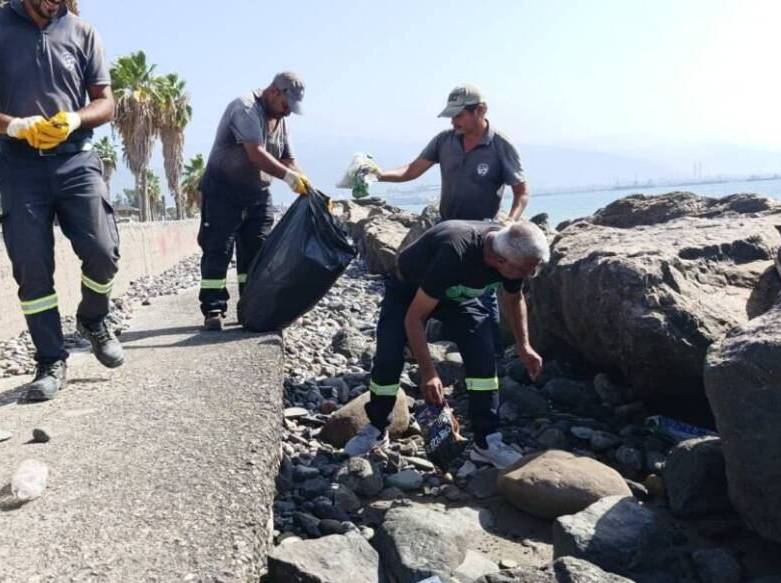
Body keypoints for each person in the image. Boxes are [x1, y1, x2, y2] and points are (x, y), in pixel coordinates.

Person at [0, 0, 122, 402]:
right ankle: (50, 360)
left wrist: (75, 119)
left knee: (103, 250)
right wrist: (13, 125)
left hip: (77, 160)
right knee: (32, 267)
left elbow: (106, 101)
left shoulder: (82, 32)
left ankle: (93, 319)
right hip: (20, 165)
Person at [343, 220, 550, 469]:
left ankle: (487, 442)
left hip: (458, 296)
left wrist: (524, 346)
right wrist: (428, 372)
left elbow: (514, 300)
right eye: (526, 270)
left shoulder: (512, 250)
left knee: (483, 355)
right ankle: (376, 428)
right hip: (409, 289)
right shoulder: (455, 253)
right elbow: (414, 318)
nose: (530, 275)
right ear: (500, 261)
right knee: (389, 356)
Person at [197, 72, 312, 331]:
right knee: (218, 250)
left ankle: (250, 307)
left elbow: (288, 160)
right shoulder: (246, 108)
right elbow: (256, 154)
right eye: (286, 105)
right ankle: (213, 307)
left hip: (258, 195)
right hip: (223, 193)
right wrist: (289, 178)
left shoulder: (281, 121)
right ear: (274, 92)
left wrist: (309, 188)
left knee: (258, 254)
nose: (288, 112)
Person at [374, 83, 529, 223]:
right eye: (451, 116)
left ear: (480, 110)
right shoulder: (444, 140)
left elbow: (521, 192)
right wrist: (376, 175)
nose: (453, 121)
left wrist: (510, 222)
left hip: (482, 228)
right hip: (446, 224)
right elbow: (410, 171)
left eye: (458, 115)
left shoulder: (501, 145)